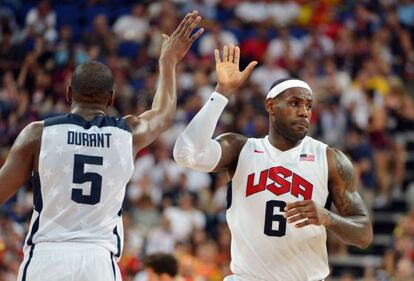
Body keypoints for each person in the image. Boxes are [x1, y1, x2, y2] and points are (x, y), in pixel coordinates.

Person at [0, 11, 204, 281]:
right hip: (99, 261)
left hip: (48, 256)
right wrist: (167, 62)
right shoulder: (126, 133)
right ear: (111, 98)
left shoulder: (37, 134)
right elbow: (163, 115)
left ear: (69, 93)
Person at [173, 44, 373, 281]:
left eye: (308, 106)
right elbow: (186, 154)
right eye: (294, 103)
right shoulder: (241, 149)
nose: (304, 112)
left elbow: (364, 234)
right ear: (271, 107)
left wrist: (328, 217)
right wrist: (222, 92)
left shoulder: (329, 158)